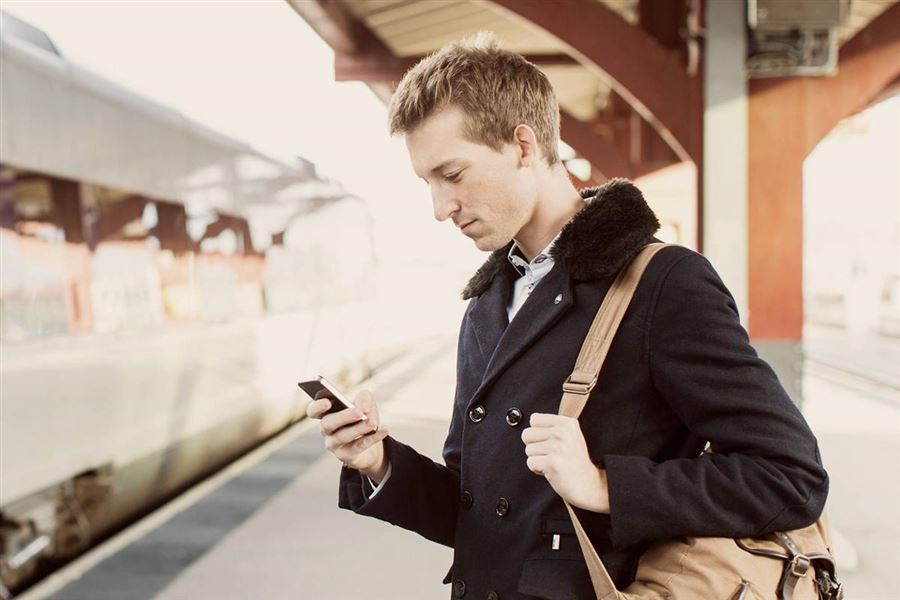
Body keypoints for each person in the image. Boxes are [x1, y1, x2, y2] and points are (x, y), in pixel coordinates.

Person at [306, 32, 828, 600]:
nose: (439, 208)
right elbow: (476, 512)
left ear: (523, 147)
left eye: (452, 175)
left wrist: (606, 486)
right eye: (427, 183)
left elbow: (790, 478)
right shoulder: (487, 304)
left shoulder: (662, 283)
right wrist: (378, 461)